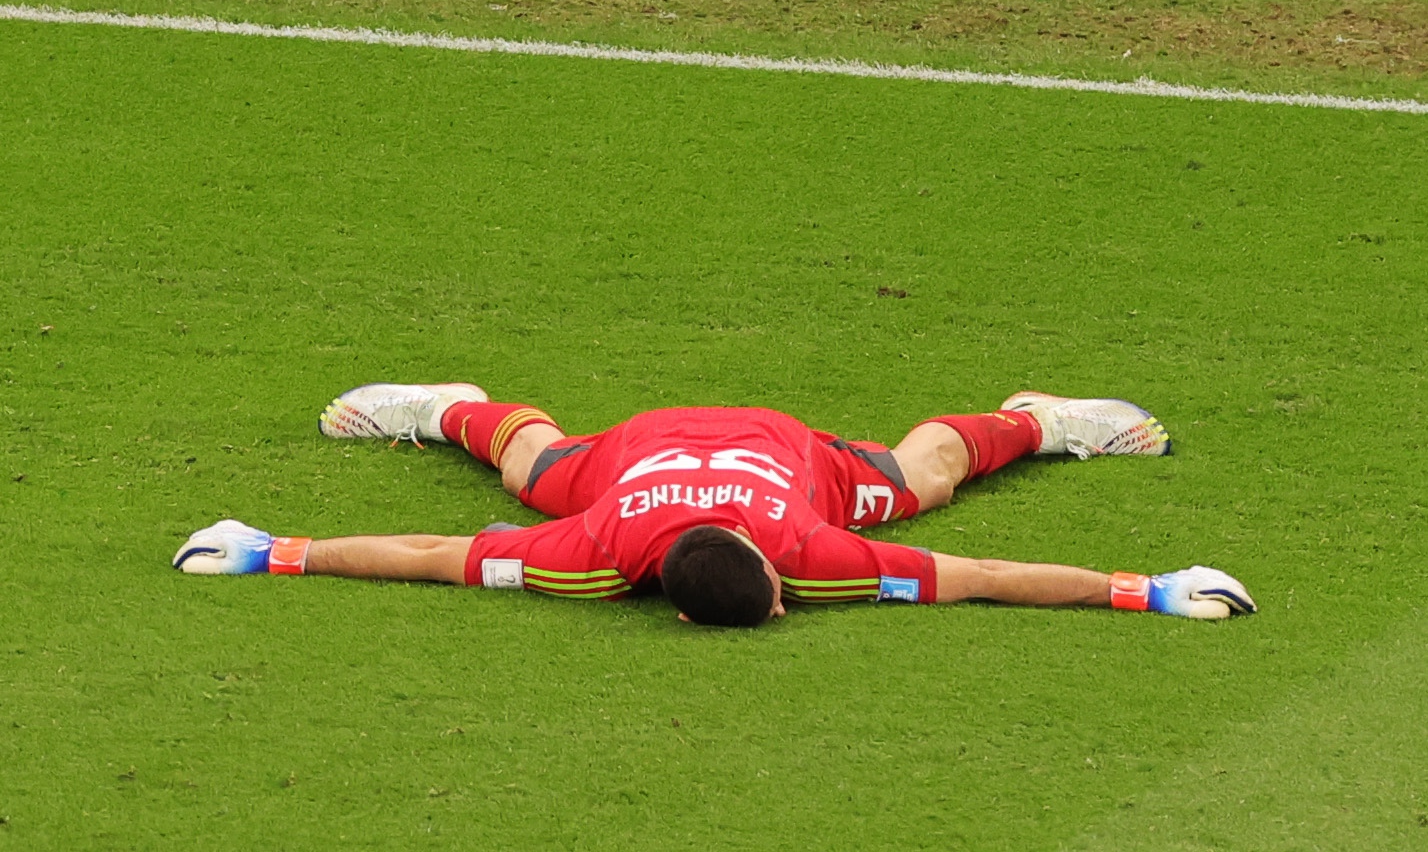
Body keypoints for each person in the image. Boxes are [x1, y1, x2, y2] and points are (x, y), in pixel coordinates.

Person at [173, 383, 1257, 626]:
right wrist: (269, 549)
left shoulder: (809, 547)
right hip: (646, 449)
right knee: (534, 474)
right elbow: (430, 550)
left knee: (924, 475)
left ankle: (1040, 419)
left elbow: (433, 550)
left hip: (782, 451)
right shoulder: (591, 549)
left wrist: (1152, 591)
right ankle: (445, 406)